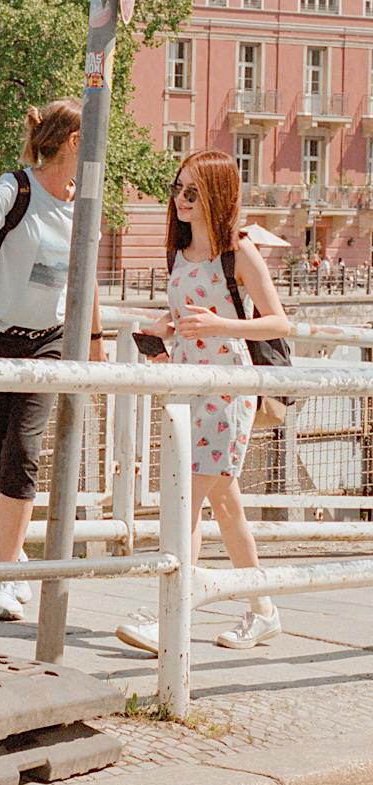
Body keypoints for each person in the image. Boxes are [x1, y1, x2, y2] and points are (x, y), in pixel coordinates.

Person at [117, 150, 288, 654]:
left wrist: (222, 326)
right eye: (177, 188)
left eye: (192, 192)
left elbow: (279, 322)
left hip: (229, 388)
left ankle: (172, 618)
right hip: (186, 385)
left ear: (216, 194)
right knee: (226, 509)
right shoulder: (177, 251)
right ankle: (264, 610)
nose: (181, 200)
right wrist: (165, 329)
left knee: (187, 498)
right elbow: (185, 312)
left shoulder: (238, 251)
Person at [0, 100, 105, 623]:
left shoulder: (85, 204)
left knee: (24, 449)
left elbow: (87, 273)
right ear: (75, 142)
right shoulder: (16, 189)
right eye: (94, 139)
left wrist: (94, 339)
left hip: (47, 341)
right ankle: (14, 547)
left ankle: (6, 572)